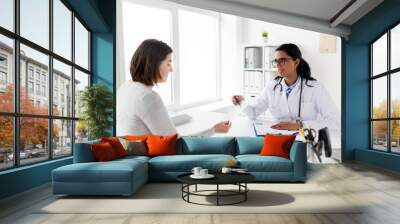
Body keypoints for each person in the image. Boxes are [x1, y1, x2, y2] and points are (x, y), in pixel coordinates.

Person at [117, 39, 231, 136]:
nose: (171, 69)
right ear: (153, 64)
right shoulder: (147, 96)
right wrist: (214, 130)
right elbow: (177, 144)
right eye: (168, 63)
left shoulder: (126, 87)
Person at [232, 43, 339, 132]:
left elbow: (335, 121)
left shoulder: (315, 87)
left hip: (304, 139)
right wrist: (241, 102)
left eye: (282, 60)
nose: (278, 65)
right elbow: (253, 113)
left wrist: (301, 125)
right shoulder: (272, 86)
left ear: (296, 62)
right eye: (276, 61)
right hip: (277, 139)